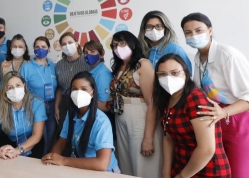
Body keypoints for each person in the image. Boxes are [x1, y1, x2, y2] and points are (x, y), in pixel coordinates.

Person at [181, 12, 249, 178]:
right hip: (213, 119)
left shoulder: (228, 55)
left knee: (238, 172)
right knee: (218, 172)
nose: (193, 36)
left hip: (234, 119)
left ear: (210, 30)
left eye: (198, 30)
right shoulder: (197, 58)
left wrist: (224, 112)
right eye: (188, 33)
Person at [153, 53, 231, 178]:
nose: (168, 78)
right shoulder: (167, 99)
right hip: (182, 166)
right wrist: (166, 172)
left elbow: (206, 149)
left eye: (174, 73)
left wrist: (182, 176)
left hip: (207, 170)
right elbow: (168, 137)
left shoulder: (196, 100)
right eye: (162, 74)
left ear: (185, 73)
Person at [108, 31, 162, 177]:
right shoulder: (119, 67)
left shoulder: (142, 64)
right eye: (114, 45)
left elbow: (153, 103)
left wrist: (148, 138)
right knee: (126, 163)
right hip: (121, 118)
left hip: (140, 117)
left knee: (143, 163)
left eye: (122, 43)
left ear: (132, 43)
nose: (118, 48)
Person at [42, 71, 119, 173]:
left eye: (84, 89)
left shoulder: (101, 122)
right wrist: (51, 159)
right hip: (83, 169)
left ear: (93, 93)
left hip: (106, 173)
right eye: (74, 89)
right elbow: (61, 143)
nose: (78, 93)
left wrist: (63, 160)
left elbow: (102, 164)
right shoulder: (71, 115)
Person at [0, 72, 47, 159]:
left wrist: (17, 150)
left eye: (18, 85)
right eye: (10, 88)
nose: (15, 90)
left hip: (32, 145)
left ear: (24, 85)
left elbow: (37, 135)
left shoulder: (37, 104)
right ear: (5, 91)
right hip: (8, 145)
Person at [20, 36, 57, 154]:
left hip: (52, 106)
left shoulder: (53, 66)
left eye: (43, 47)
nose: (40, 49)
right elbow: (21, 89)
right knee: (37, 136)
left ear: (49, 49)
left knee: (51, 137)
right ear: (33, 49)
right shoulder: (26, 67)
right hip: (34, 106)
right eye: (37, 47)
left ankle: (48, 159)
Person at [55, 32, 89, 146]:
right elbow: (60, 87)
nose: (67, 46)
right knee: (63, 133)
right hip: (65, 101)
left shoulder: (86, 61)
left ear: (77, 43)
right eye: (64, 44)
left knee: (81, 132)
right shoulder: (59, 65)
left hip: (83, 101)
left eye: (70, 42)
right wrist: (56, 106)